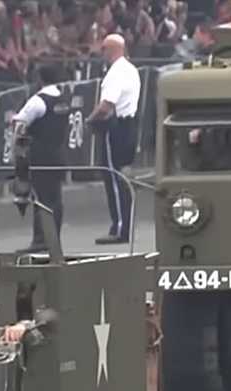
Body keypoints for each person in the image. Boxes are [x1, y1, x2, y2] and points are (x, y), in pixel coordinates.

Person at [88, 34, 141, 245]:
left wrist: (89, 120)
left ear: (111, 49)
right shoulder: (131, 69)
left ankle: (120, 227)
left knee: (114, 179)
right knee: (122, 178)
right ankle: (123, 224)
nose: (102, 53)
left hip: (115, 127)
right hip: (129, 125)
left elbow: (106, 105)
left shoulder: (116, 73)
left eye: (104, 49)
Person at [12, 64, 70, 253]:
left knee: (41, 198)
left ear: (40, 79)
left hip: (41, 155)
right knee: (56, 198)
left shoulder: (38, 100)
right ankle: (55, 238)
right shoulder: (64, 99)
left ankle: (40, 240)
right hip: (59, 153)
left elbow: (20, 122)